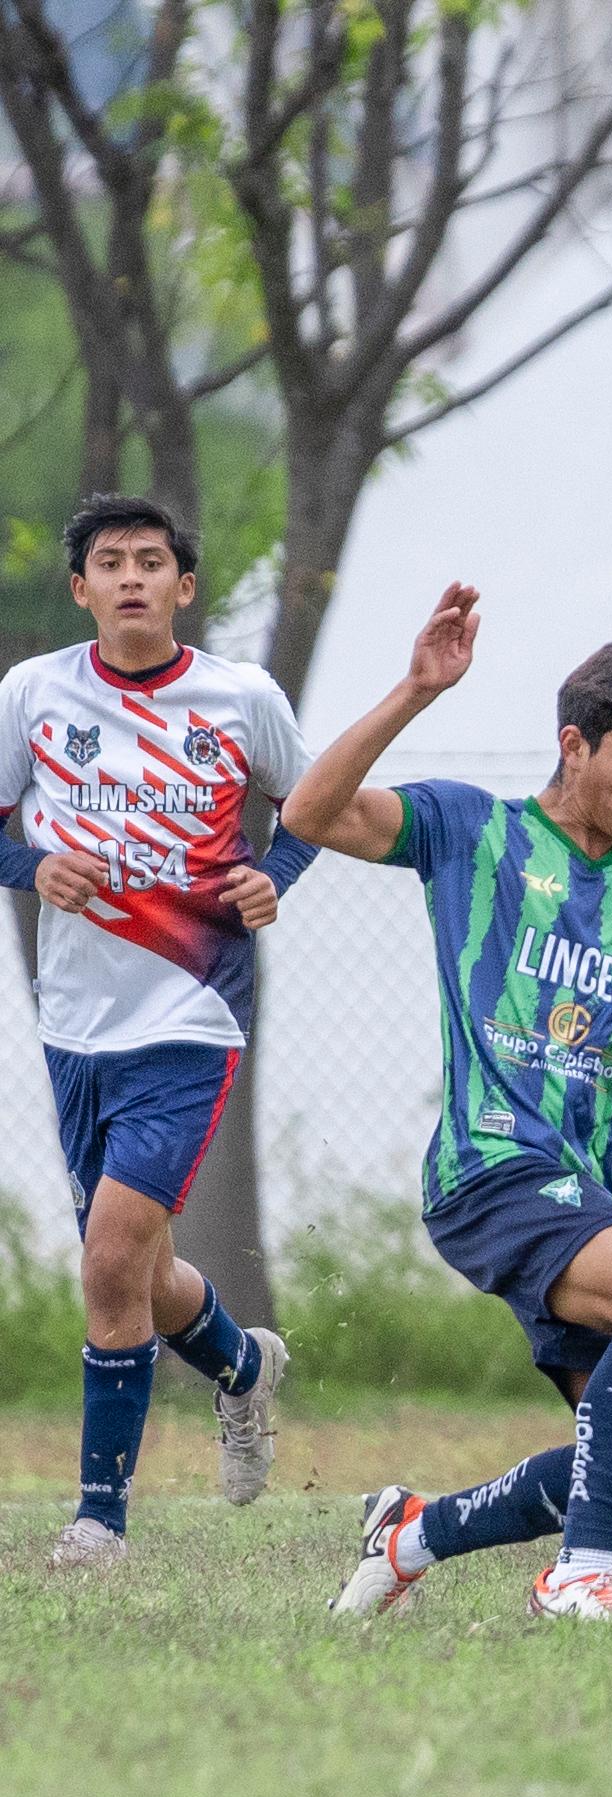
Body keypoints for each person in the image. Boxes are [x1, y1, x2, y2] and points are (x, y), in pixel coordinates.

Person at [290, 587, 612, 1622]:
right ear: (574, 744)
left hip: (579, 1191)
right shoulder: (469, 829)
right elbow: (308, 815)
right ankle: (578, 1574)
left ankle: (414, 1532)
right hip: (488, 1170)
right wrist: (416, 689)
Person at [0, 494, 318, 1564]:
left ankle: (100, 1520)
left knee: (107, 1257)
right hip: (74, 1020)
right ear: (81, 588)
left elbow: (318, 799)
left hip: (192, 1010)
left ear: (185, 588)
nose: (130, 576)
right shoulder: (33, 692)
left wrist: (274, 874)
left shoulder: (240, 695)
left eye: (151, 561)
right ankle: (242, 1366)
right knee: (138, 1266)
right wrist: (29, 864)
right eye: (108, 561)